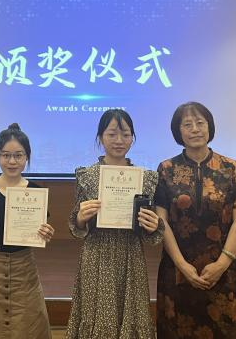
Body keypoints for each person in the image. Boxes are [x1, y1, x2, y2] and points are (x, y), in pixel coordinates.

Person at [154, 102, 236, 338]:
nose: (195, 129)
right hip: (178, 269)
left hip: (224, 268)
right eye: (187, 125)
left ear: (210, 127)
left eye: (200, 123)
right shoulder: (166, 169)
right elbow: (161, 222)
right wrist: (182, 266)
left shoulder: (230, 168)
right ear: (178, 131)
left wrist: (222, 264)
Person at [66, 108, 163, 338]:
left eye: (126, 134)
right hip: (96, 255)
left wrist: (152, 225)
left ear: (133, 138)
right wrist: (81, 217)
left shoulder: (146, 178)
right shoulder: (87, 175)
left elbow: (150, 232)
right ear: (100, 137)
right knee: (95, 314)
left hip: (131, 254)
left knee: (133, 312)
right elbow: (77, 224)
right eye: (111, 134)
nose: (119, 140)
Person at [0, 123, 55, 339]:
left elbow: (39, 233)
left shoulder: (36, 192)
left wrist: (46, 234)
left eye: (18, 155)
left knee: (28, 326)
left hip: (25, 269)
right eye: (6, 155)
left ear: (27, 157)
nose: (12, 161)